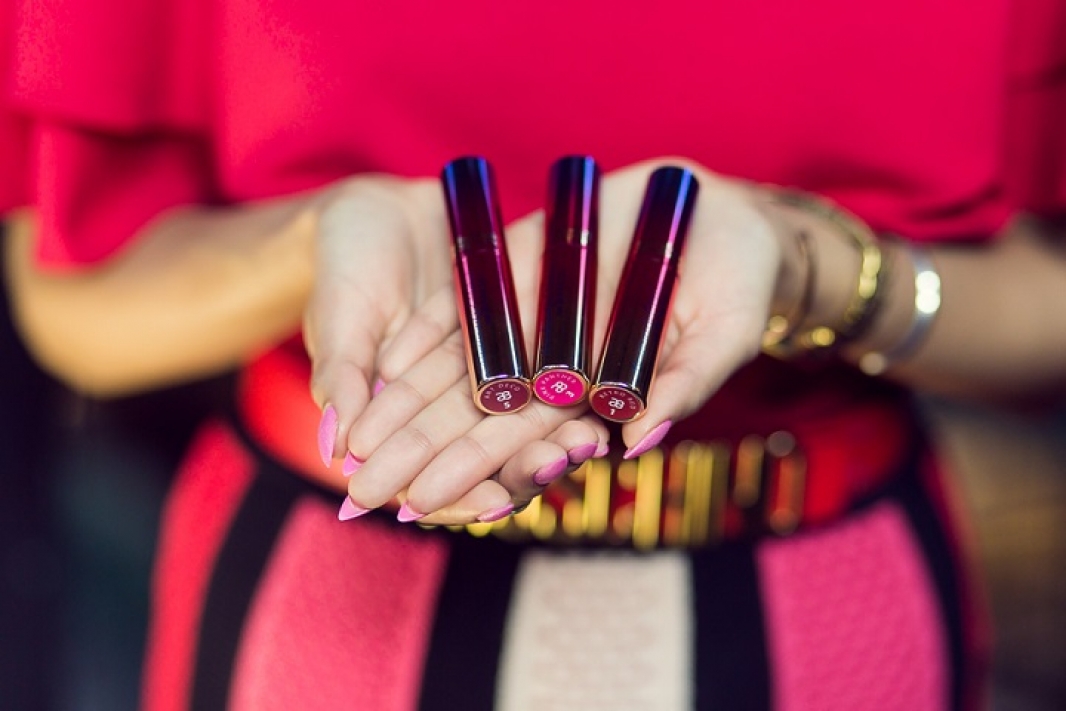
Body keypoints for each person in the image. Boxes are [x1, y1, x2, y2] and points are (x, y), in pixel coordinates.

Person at [3, 0, 1066, 708]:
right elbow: (72, 304)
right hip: (331, 609)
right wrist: (310, 244)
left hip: (824, 605)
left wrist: (811, 270)